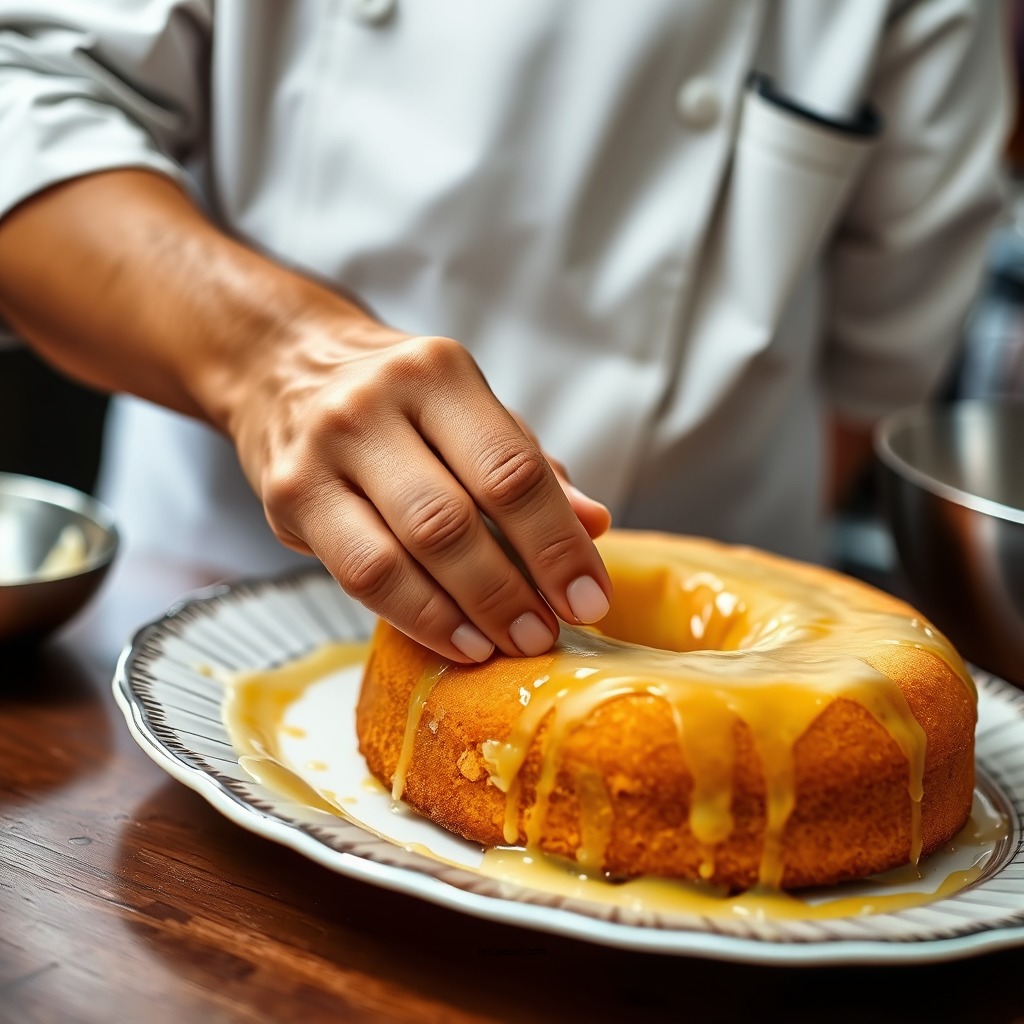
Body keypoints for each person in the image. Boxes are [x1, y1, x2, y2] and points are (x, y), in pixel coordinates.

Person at [0, 1, 1012, 664]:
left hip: (732, 680)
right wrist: (277, 359)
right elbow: (24, 95)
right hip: (219, 609)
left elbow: (875, 372)